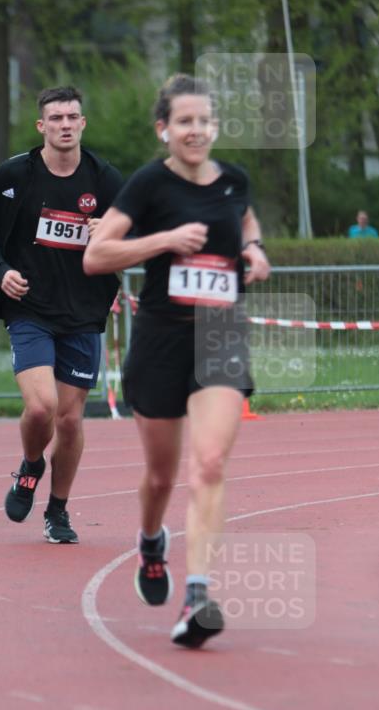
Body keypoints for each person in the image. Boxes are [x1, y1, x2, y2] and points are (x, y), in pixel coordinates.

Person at [84, 73, 271, 648]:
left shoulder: (232, 180)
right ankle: (150, 540)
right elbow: (97, 255)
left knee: (209, 463)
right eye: (185, 121)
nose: (197, 131)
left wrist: (253, 249)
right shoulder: (147, 186)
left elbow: (242, 218)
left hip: (219, 335)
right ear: (164, 129)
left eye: (205, 121)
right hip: (162, 337)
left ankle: (198, 596)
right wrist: (163, 241)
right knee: (162, 475)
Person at [0, 86, 122, 543]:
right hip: (29, 307)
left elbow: (136, 240)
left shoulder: (106, 181)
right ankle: (31, 466)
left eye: (73, 116)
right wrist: (1, 273)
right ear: (41, 126)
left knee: (70, 421)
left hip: (84, 311)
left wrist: (107, 232)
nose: (65, 124)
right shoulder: (13, 176)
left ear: (83, 123)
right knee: (42, 407)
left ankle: (59, 510)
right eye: (56, 118)